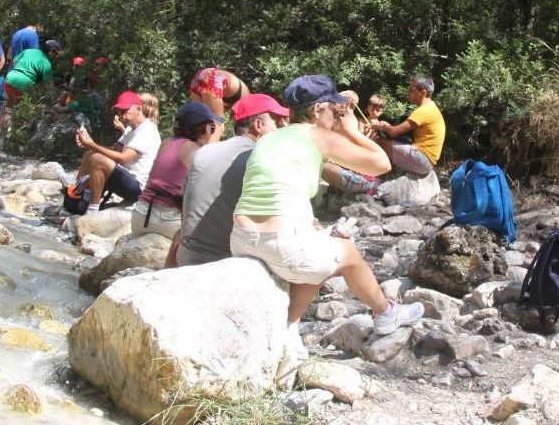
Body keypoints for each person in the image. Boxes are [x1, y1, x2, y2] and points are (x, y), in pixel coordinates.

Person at [231, 74, 426, 346]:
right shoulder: (318, 136)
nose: (337, 116)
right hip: (279, 242)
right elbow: (382, 164)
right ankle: (386, 314)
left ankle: (289, 326)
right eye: (334, 110)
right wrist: (351, 132)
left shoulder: (268, 138)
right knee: (348, 253)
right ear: (317, 110)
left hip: (241, 238)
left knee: (320, 246)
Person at [174, 94, 290, 268]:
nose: (281, 128)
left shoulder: (204, 152)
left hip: (187, 258)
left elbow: (184, 205)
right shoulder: (260, 160)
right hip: (225, 263)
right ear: (258, 126)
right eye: (276, 123)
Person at [131, 101, 224, 240]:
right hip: (168, 220)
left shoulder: (166, 142)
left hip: (140, 215)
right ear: (204, 128)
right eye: (211, 126)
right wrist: (214, 141)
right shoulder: (198, 152)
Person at [72, 91, 160, 215]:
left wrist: (91, 144)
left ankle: (92, 210)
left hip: (137, 186)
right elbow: (115, 151)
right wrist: (88, 144)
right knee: (89, 154)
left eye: (125, 111)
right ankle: (76, 195)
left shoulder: (147, 130)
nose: (122, 116)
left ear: (139, 109)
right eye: (120, 112)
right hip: (124, 175)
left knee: (97, 158)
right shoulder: (130, 128)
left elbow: (122, 158)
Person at [366, 75, 445, 176]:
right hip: (425, 160)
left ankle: (366, 171)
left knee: (377, 139)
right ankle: (383, 174)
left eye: (412, 89)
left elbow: (394, 132)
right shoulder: (430, 108)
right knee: (384, 140)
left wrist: (379, 126)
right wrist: (386, 126)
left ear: (423, 93)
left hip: (422, 159)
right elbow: (399, 132)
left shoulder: (424, 110)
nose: (408, 92)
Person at [3, 39, 61, 107]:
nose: (55, 57)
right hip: (24, 84)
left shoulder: (29, 51)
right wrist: (52, 98)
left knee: (7, 104)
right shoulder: (46, 63)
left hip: (10, 78)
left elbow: (15, 60)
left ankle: (4, 112)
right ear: (51, 51)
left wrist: (20, 70)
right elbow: (48, 85)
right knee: (23, 107)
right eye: (56, 54)